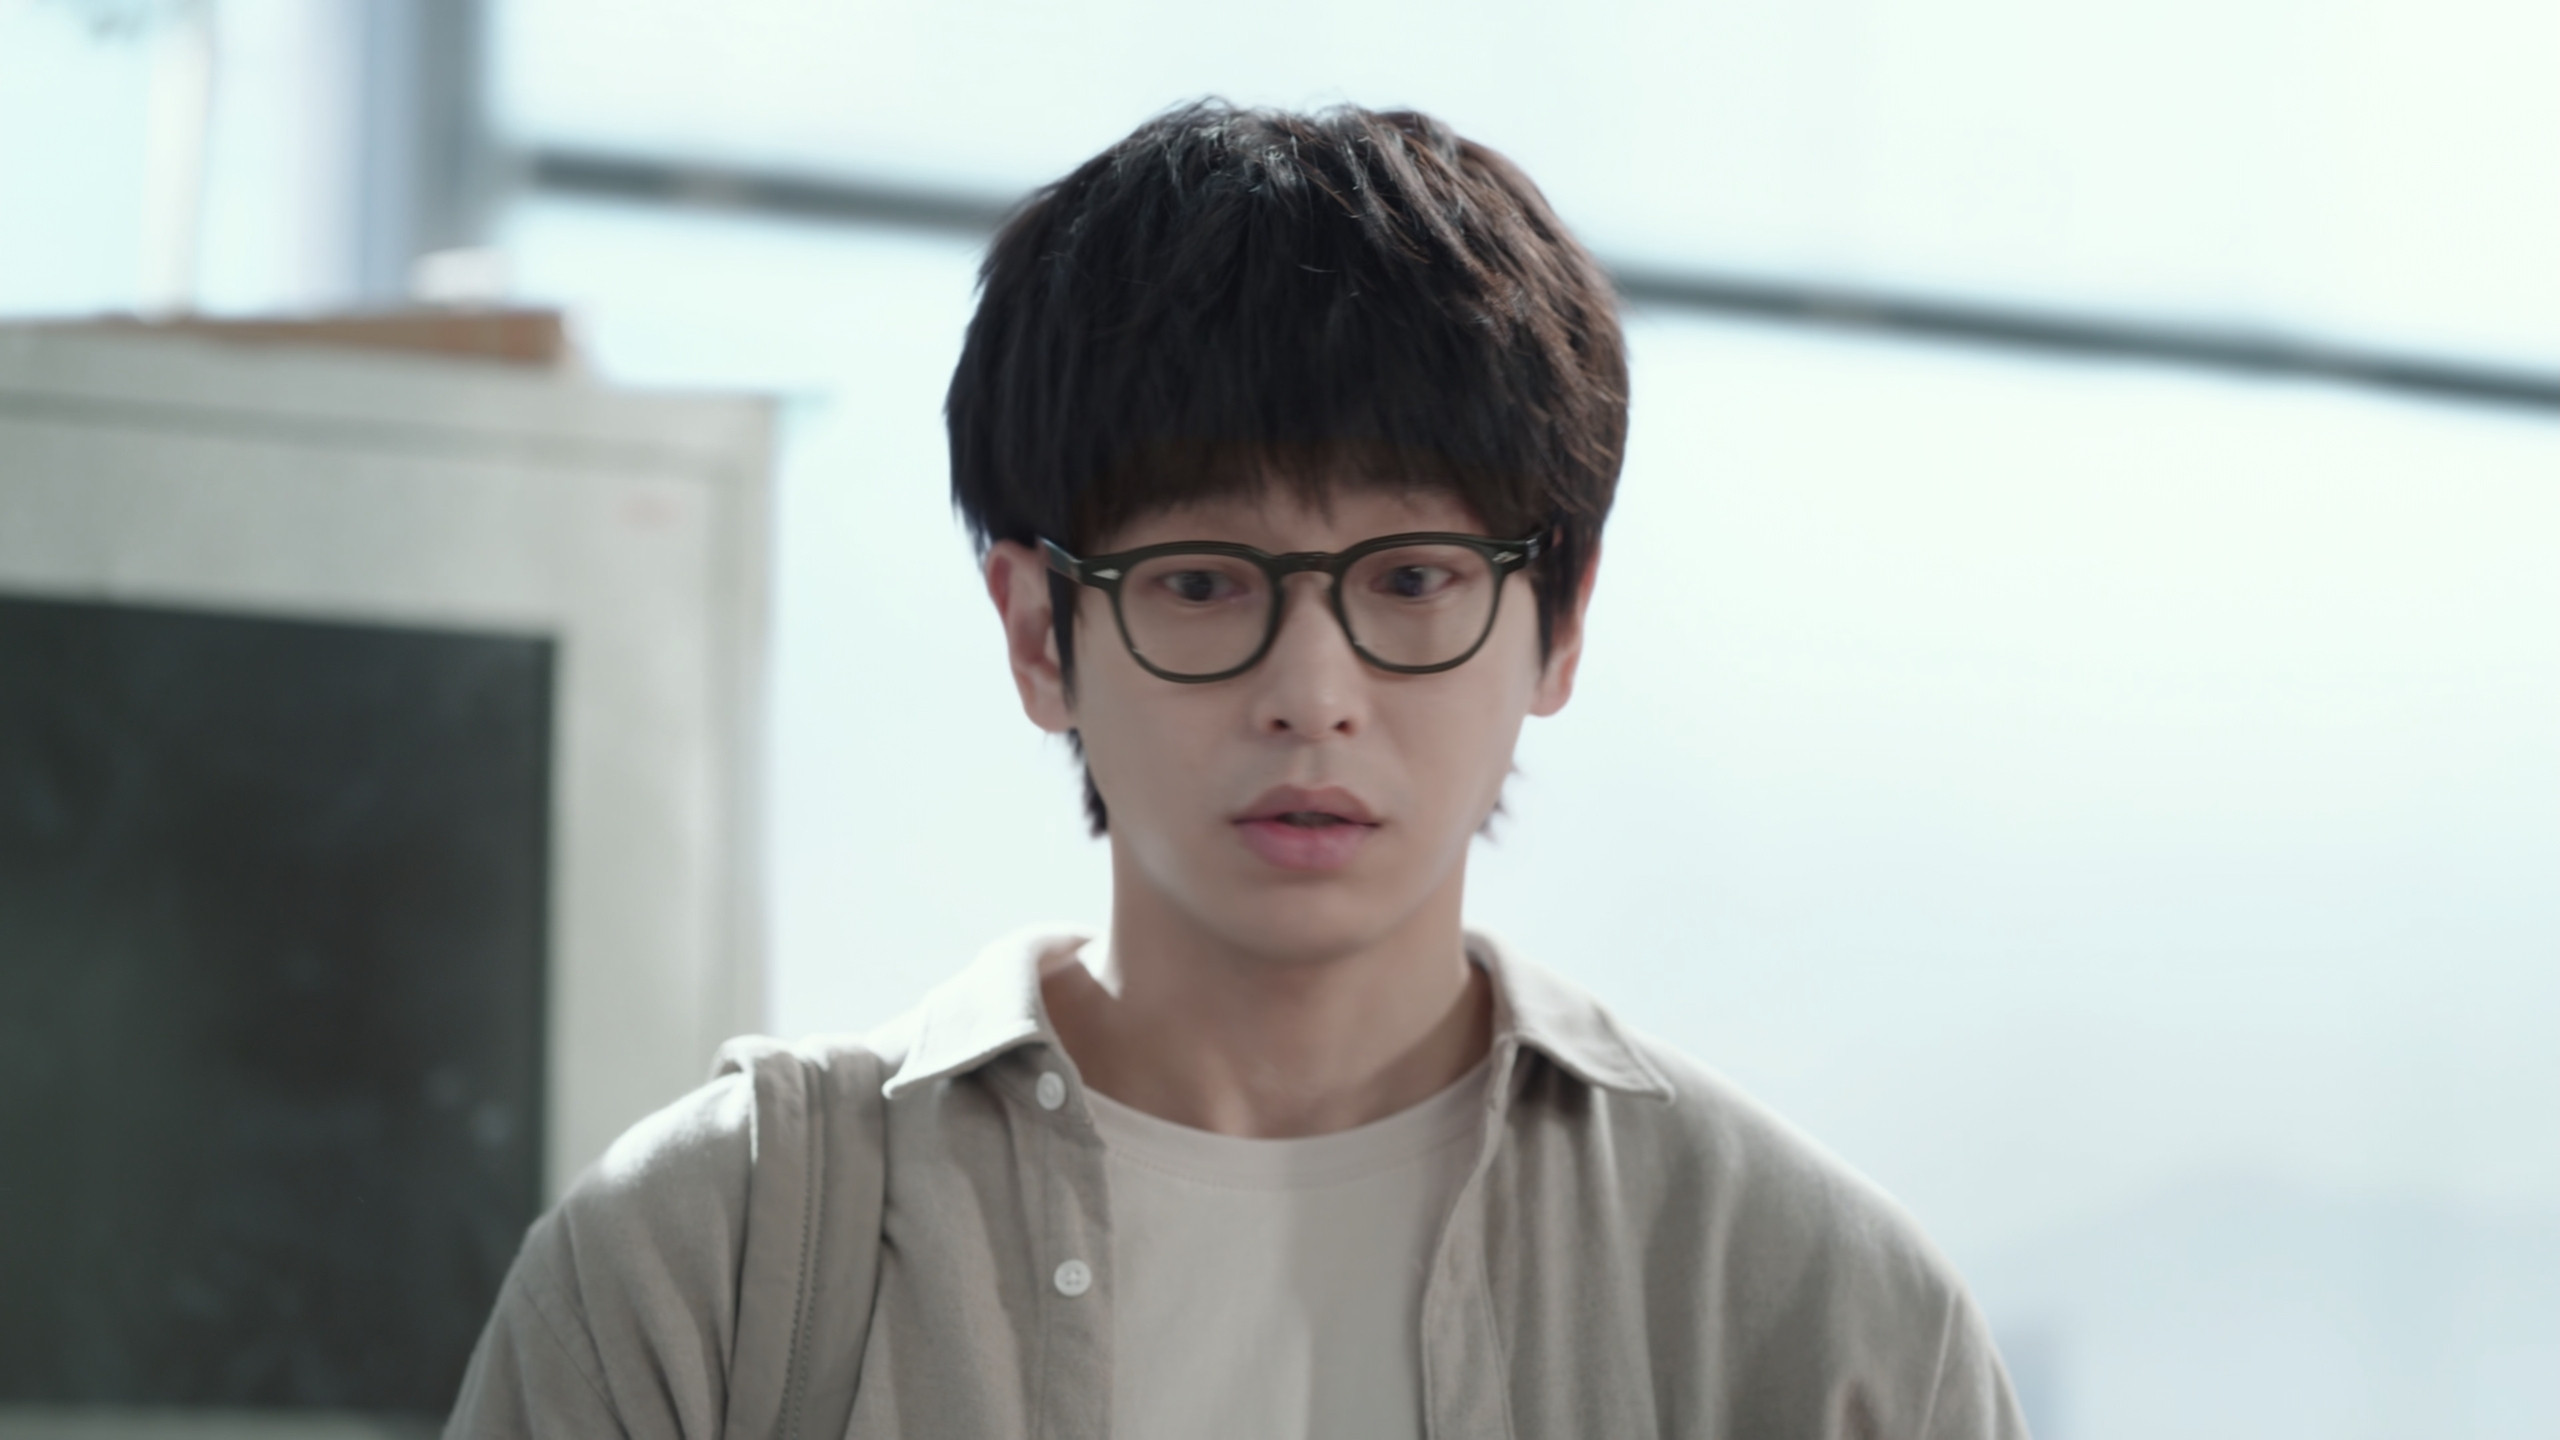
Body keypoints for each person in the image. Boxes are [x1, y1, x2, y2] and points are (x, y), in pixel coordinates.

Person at [444, 101, 2027, 1440]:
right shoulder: (710, 1259)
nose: (1311, 698)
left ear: (1558, 625)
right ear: (1040, 633)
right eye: (1202, 581)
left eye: (1413, 579)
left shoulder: (1817, 1311)